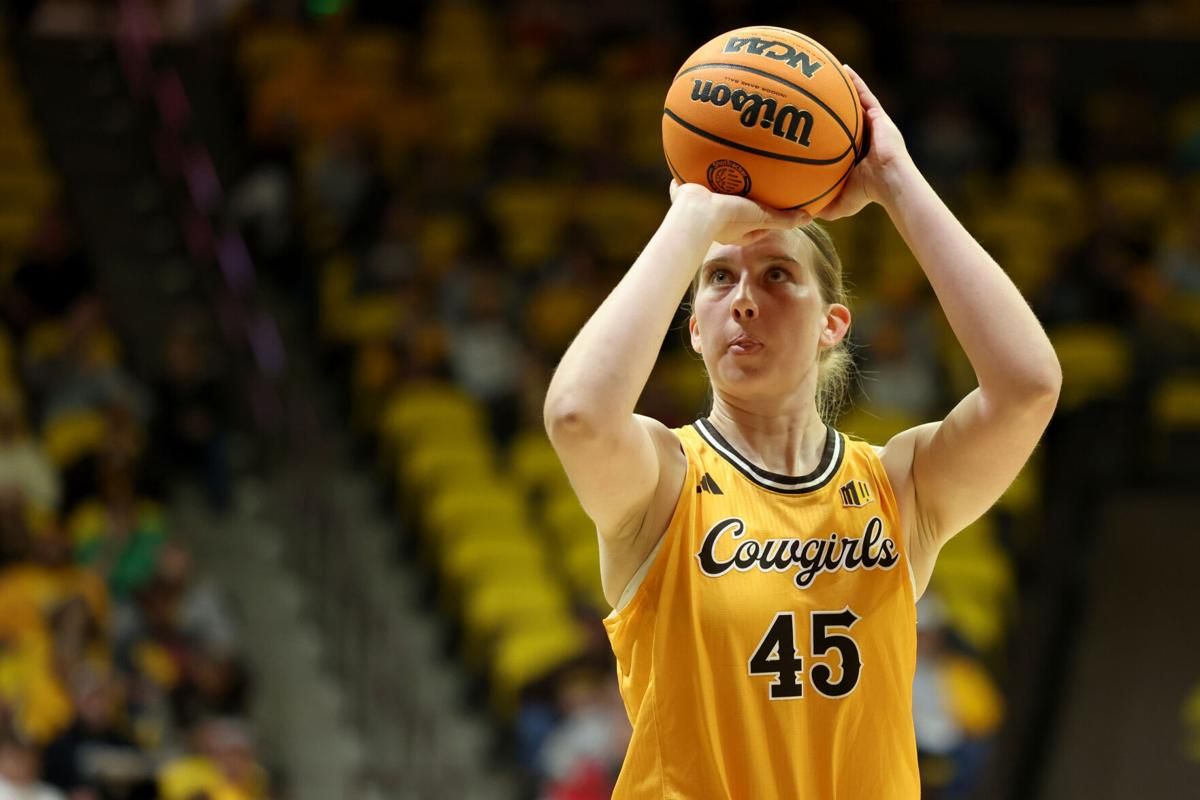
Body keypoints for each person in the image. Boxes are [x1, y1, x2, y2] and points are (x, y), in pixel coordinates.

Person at [543, 66, 1061, 798]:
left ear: (832, 324)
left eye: (778, 275)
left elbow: (1029, 387)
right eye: (719, 281)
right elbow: (576, 414)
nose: (744, 300)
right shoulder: (665, 477)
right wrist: (692, 217)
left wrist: (895, 179)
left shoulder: (899, 484)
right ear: (693, 329)